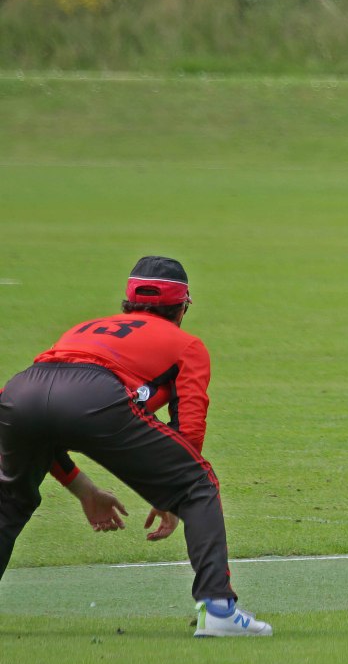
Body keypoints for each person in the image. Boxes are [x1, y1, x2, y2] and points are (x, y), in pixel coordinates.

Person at [0, 256, 272, 637]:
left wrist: (85, 490)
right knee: (198, 484)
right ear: (182, 308)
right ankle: (219, 610)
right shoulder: (186, 343)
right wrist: (170, 491)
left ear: (127, 305)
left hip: (17, 393)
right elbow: (188, 435)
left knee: (9, 501)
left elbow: (45, 419)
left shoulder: (85, 328)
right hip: (94, 395)